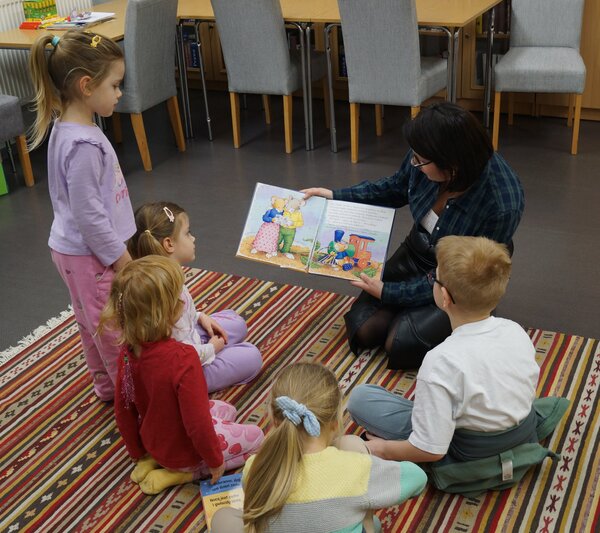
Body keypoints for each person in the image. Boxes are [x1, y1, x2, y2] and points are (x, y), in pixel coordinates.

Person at [302, 103, 525, 370]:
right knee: (364, 329)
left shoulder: (501, 202)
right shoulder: (426, 153)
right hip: (417, 252)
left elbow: (462, 275)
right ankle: (424, 313)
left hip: (460, 277)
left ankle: (479, 310)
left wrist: (390, 292)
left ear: (452, 165)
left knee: (398, 343)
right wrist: (335, 196)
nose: (413, 163)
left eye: (419, 160)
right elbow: (395, 188)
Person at [347, 237, 568, 494]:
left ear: (444, 296)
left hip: (466, 452)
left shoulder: (441, 360)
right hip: (519, 431)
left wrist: (382, 449)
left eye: (434, 277)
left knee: (361, 399)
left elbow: (431, 449)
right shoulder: (515, 330)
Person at [28, 31, 136, 401]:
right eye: (115, 85)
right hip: (90, 256)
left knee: (91, 322)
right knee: (109, 328)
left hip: (74, 252)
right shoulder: (84, 145)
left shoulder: (69, 128)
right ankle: (130, 397)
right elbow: (89, 216)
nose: (119, 93)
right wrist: (122, 259)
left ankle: (106, 387)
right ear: (86, 85)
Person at [99, 255, 264, 495]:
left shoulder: (128, 352)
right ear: (166, 313)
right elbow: (197, 422)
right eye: (177, 299)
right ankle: (185, 473)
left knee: (226, 409)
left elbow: (124, 410)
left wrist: (138, 453)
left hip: (153, 442)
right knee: (257, 437)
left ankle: (150, 462)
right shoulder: (184, 358)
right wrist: (214, 461)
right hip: (184, 453)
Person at [211, 362, 427, 533]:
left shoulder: (256, 466)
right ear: (335, 423)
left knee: (222, 518)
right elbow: (418, 478)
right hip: (350, 503)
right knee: (353, 448)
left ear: (275, 422)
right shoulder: (357, 468)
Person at [127, 201, 263, 393]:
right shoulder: (164, 293)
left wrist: (200, 317)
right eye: (187, 233)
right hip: (182, 370)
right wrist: (212, 348)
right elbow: (177, 356)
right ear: (169, 244)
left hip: (186, 341)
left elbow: (182, 322)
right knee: (252, 356)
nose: (193, 238)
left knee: (236, 322)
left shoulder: (166, 276)